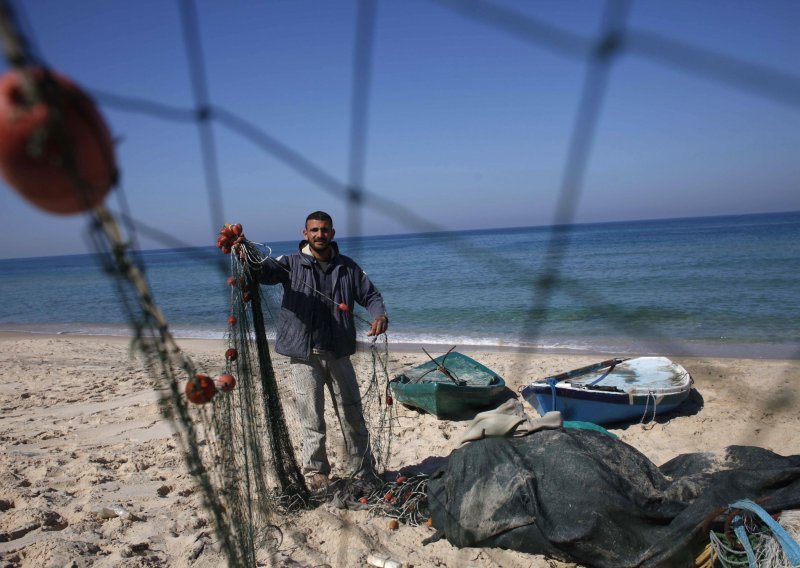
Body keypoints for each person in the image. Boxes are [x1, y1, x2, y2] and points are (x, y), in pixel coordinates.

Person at [250, 211, 389, 490]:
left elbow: (370, 295)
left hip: (339, 352)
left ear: (332, 234)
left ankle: (362, 470)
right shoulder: (289, 263)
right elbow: (264, 272)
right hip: (303, 355)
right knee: (312, 417)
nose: (319, 235)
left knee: (352, 414)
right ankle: (316, 471)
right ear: (305, 234)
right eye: (314, 230)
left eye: (324, 230)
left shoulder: (347, 267)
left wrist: (379, 314)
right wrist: (246, 254)